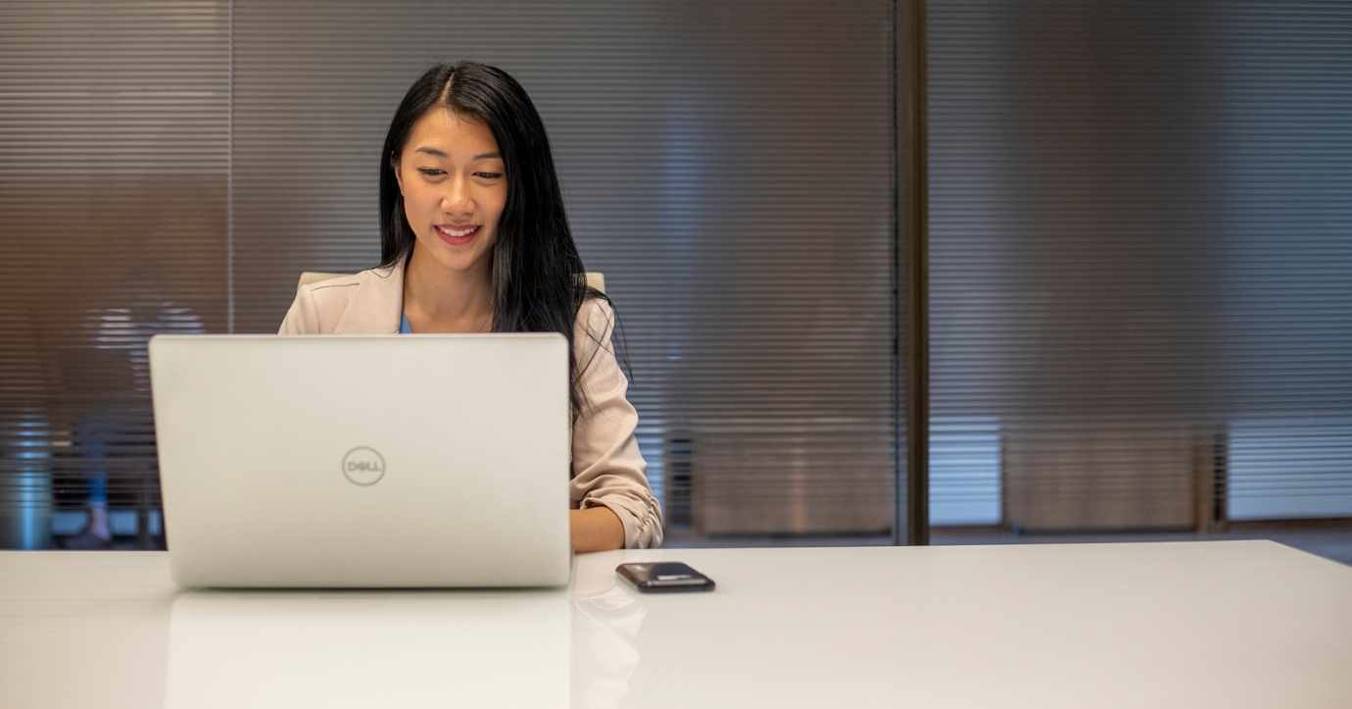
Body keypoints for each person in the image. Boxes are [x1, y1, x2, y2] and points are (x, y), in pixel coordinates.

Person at [278, 61, 662, 551]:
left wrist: (487, 535)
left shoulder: (576, 320)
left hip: (523, 609)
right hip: (363, 602)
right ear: (399, 172)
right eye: (433, 171)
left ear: (519, 185)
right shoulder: (322, 317)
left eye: (487, 173)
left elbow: (633, 510)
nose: (458, 201)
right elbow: (273, 491)